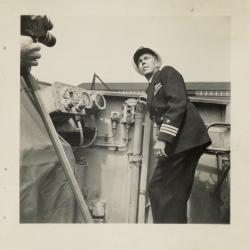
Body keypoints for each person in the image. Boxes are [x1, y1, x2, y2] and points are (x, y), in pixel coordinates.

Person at [133, 46, 211, 223]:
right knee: (173, 193)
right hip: (182, 140)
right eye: (139, 61)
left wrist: (163, 139)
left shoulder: (166, 72)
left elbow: (177, 103)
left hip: (184, 138)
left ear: (157, 61)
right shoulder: (151, 88)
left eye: (146, 58)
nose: (142, 62)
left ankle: (168, 234)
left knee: (159, 189)